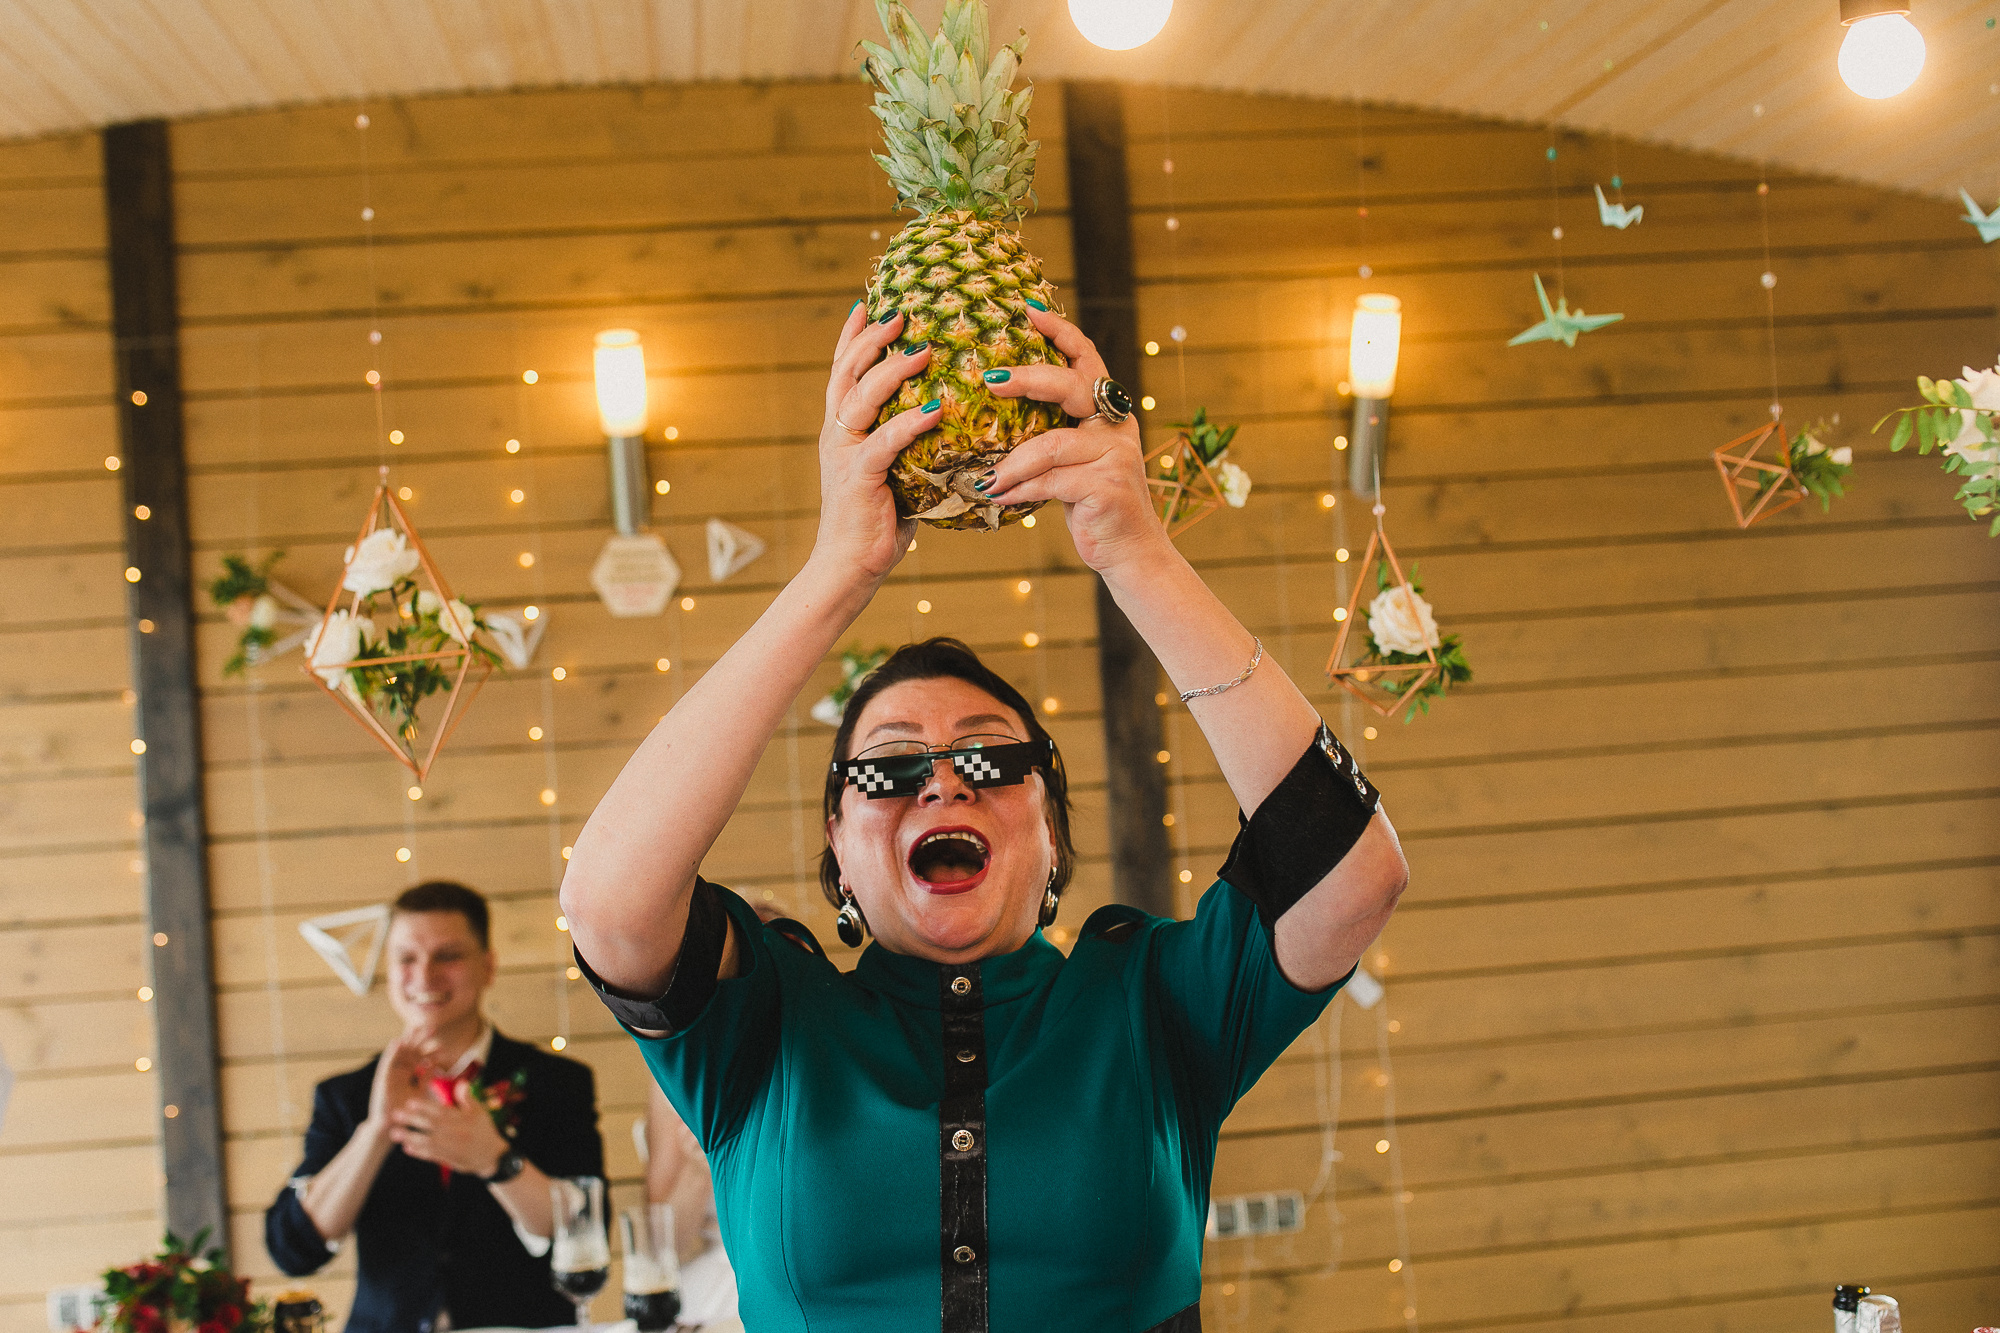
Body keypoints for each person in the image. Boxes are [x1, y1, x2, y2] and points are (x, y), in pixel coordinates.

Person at [560, 302, 1409, 1333]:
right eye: (887, 767)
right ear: (836, 841)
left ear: (1050, 830)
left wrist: (1134, 549)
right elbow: (607, 902)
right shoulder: (768, 1026)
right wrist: (837, 570)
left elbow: (1348, 874)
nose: (943, 783)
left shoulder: (1149, 1002)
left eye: (991, 757)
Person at [265, 881, 606, 1333]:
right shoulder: (344, 1095)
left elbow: (587, 1235)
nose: (424, 977)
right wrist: (376, 1129)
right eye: (407, 958)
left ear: (488, 967)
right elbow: (294, 1250)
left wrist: (495, 1160)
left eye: (448, 956)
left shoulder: (558, 1083)